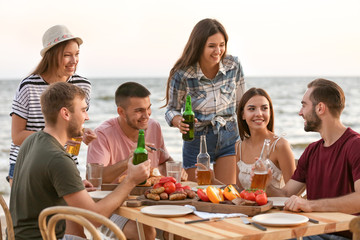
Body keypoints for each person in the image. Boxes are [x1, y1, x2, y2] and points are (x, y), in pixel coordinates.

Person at [9, 82, 151, 239]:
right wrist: (131, 180)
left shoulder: (33, 140)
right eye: (83, 110)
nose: (87, 117)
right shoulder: (58, 158)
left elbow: (38, 184)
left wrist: (69, 185)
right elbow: (95, 218)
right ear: (66, 113)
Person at [87, 82, 186, 239]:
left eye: (148, 108)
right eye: (139, 111)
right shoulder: (103, 134)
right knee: (145, 233)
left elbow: (162, 160)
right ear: (121, 111)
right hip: (114, 208)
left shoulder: (153, 126)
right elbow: (96, 179)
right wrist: (128, 161)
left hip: (149, 202)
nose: (146, 115)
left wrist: (175, 168)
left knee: (182, 231)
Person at [267, 78, 360, 239]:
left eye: (304, 105)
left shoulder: (355, 145)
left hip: (344, 235)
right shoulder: (311, 151)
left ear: (320, 108)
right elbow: (286, 194)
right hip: (314, 232)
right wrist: (266, 183)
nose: (300, 112)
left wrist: (310, 205)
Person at [7, 25, 96, 186]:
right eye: (67, 55)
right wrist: (57, 139)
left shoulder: (83, 85)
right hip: (27, 162)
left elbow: (73, 130)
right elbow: (18, 136)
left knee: (67, 211)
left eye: (76, 54)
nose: (74, 61)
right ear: (52, 56)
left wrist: (83, 134)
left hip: (63, 163)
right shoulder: (29, 86)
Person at [163, 18, 245, 184]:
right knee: (196, 194)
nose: (218, 50)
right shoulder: (182, 74)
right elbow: (171, 109)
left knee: (226, 193)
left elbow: (241, 104)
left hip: (229, 134)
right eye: (212, 46)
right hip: (196, 138)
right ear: (199, 45)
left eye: (221, 45)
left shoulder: (233, 65)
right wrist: (178, 120)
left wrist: (250, 136)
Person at [204, 88, 296, 190]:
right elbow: (240, 191)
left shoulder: (280, 145)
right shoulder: (239, 146)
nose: (259, 114)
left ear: (270, 112)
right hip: (249, 205)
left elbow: (292, 194)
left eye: (264, 108)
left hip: (275, 206)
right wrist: (213, 181)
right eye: (252, 109)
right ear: (243, 114)